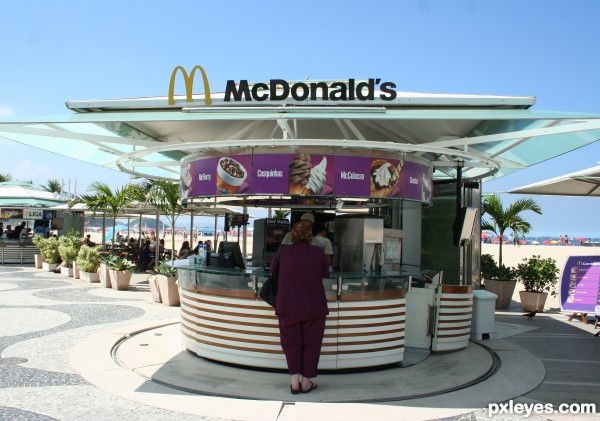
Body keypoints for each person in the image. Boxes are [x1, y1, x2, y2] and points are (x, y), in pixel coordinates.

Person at [270, 219, 329, 394]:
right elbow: (326, 272)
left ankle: (294, 383)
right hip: (314, 306)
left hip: (287, 305)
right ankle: (307, 382)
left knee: (290, 344)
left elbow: (273, 270)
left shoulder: (283, 252)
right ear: (310, 235)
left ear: (292, 234)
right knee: (312, 344)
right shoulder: (318, 252)